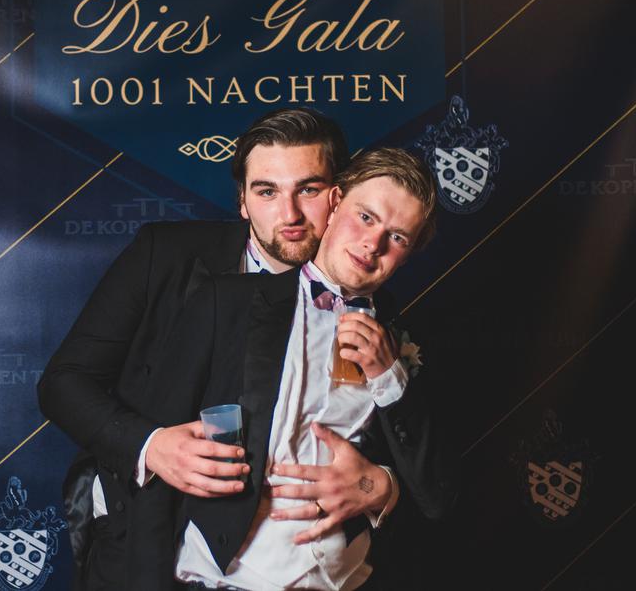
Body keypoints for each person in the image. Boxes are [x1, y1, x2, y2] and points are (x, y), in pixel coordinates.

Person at [39, 108, 408, 590]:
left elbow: (400, 440)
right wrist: (152, 446)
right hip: (147, 540)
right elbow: (63, 384)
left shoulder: (372, 300)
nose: (290, 214)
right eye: (267, 191)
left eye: (308, 189)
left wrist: (380, 485)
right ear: (242, 201)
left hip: (298, 565)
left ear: (337, 196)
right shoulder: (164, 255)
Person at [125, 147, 455, 590]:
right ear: (335, 203)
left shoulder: (408, 341)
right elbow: (158, 463)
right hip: (224, 580)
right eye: (366, 217)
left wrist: (382, 478)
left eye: (397, 238)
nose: (372, 244)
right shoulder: (228, 303)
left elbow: (436, 498)